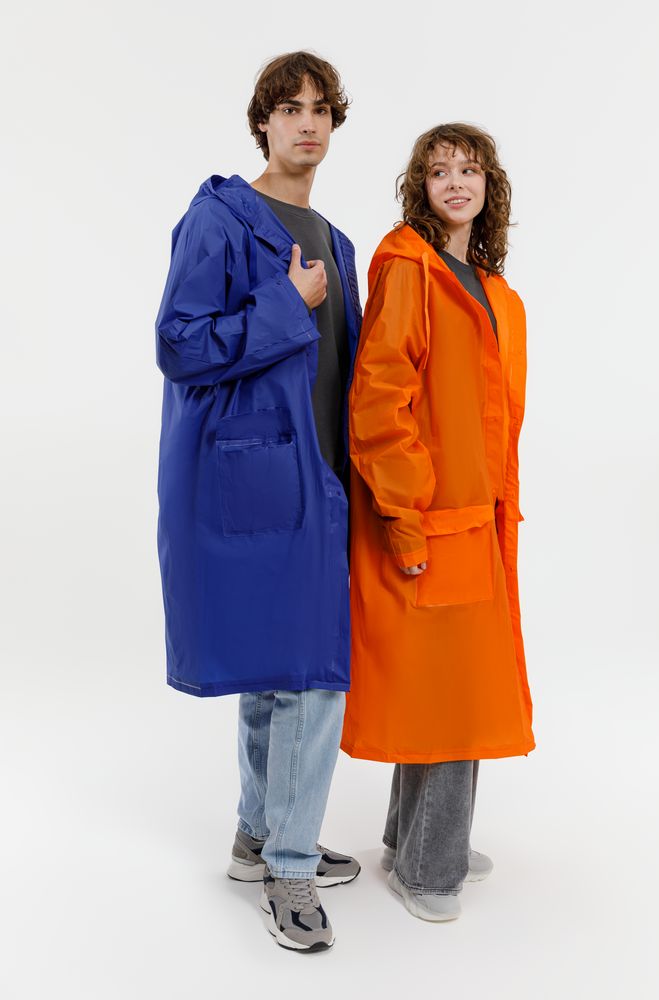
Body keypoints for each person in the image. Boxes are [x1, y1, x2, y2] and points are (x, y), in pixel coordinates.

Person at [155, 51, 362, 953]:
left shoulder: (335, 240)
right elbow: (179, 344)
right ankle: (289, 870)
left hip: (319, 478)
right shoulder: (220, 218)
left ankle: (256, 836)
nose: (307, 123)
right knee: (312, 674)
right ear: (263, 123)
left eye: (321, 109)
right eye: (290, 108)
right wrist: (284, 300)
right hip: (253, 475)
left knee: (282, 669)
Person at [341, 123, 535, 921]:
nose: (456, 182)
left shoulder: (486, 285)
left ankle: (410, 837)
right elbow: (379, 402)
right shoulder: (409, 269)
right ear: (419, 186)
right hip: (428, 513)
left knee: (447, 685)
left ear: (491, 187)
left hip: (476, 517)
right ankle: (429, 868)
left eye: (470, 169)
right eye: (439, 170)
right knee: (455, 694)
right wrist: (405, 516)